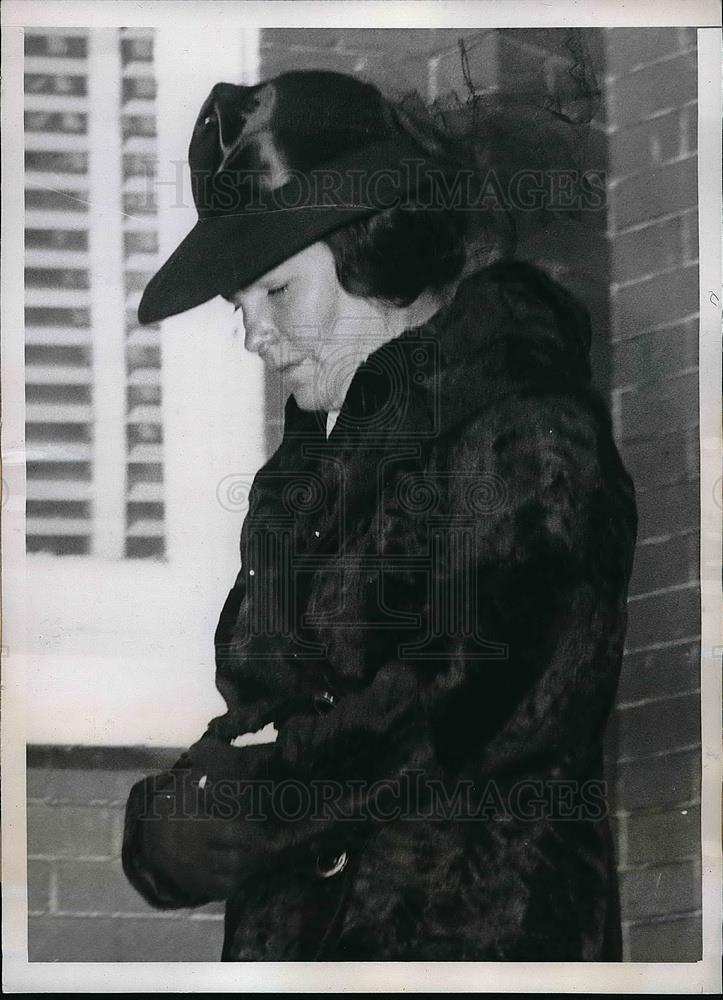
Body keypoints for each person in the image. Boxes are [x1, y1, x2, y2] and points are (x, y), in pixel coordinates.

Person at [122, 68, 638, 961]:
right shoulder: (313, 482)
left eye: (277, 292)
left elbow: (458, 698)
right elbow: (278, 708)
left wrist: (251, 799)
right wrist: (167, 821)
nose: (254, 336)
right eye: (237, 309)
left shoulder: (527, 434)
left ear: (372, 248)